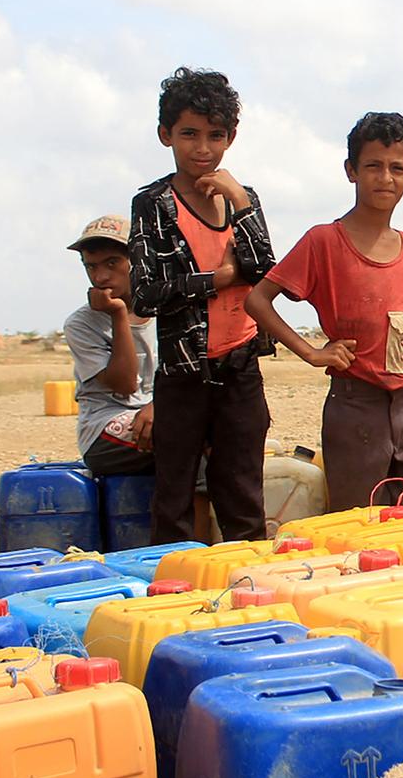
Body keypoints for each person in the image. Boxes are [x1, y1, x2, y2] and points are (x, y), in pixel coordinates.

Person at [247, 112, 403, 509]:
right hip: (355, 404)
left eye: (398, 169)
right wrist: (311, 353)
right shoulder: (323, 242)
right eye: (373, 166)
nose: (386, 178)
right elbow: (258, 300)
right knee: (359, 518)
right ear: (351, 171)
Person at [129, 68, 274, 545]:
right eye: (189, 134)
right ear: (165, 135)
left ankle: (248, 598)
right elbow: (146, 293)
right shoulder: (153, 204)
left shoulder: (242, 199)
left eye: (215, 135)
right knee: (173, 500)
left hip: (240, 368)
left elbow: (268, 271)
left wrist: (241, 204)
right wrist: (220, 278)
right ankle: (171, 597)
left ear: (230, 138)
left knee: (243, 497)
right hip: (183, 376)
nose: (202, 148)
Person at [62, 215, 156, 473]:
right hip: (104, 428)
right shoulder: (82, 324)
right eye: (91, 267)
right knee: (180, 437)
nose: (100, 276)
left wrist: (161, 406)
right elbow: (125, 384)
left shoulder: (165, 308)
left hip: (161, 412)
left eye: (112, 263)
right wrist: (118, 314)